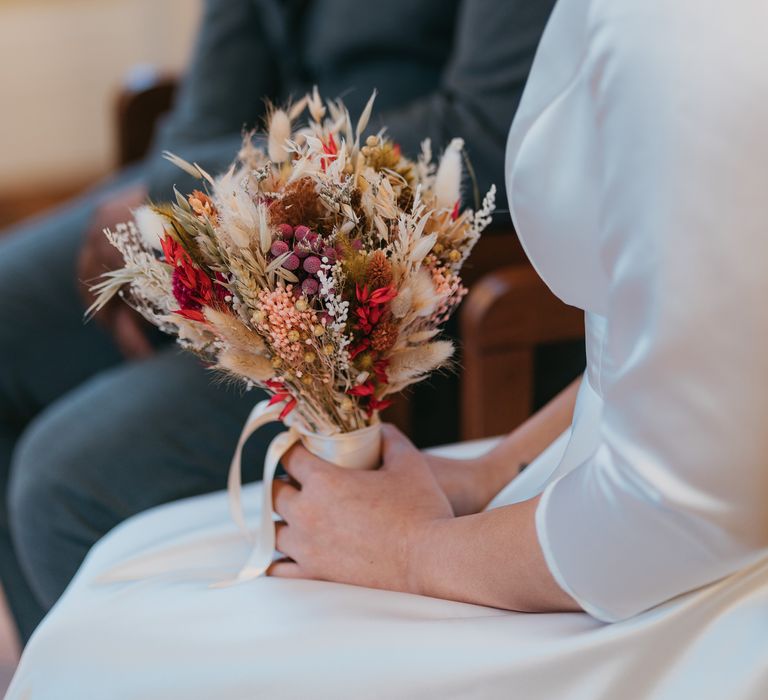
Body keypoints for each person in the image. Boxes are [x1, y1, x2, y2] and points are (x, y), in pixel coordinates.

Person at [11, 0, 768, 697]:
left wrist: (414, 551)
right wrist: (489, 472)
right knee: (126, 561)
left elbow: (684, 509)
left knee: (98, 579)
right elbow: (687, 345)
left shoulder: (684, 31)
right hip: (622, 455)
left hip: (661, 546)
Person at [0, 0, 555, 643]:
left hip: (416, 270)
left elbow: (486, 131)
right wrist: (171, 197)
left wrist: (211, 201)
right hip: (259, 195)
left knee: (68, 476)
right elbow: (219, 85)